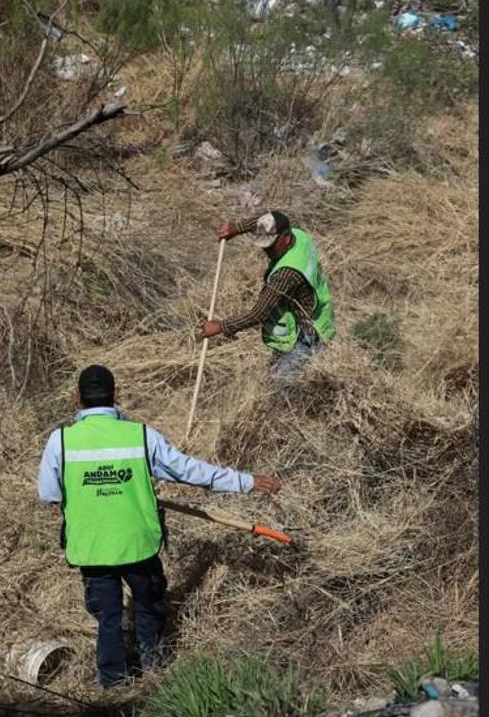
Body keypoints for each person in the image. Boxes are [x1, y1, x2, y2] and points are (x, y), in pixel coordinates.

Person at [36, 364, 282, 688]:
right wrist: (245, 481)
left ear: (77, 397)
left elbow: (49, 494)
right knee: (148, 606)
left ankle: (112, 684)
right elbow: (189, 470)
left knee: (108, 618)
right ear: (116, 395)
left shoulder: (61, 442)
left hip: (92, 547)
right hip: (139, 541)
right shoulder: (140, 435)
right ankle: (154, 671)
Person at [197, 210, 336, 380]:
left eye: (270, 245)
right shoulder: (299, 236)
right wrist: (237, 228)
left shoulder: (287, 273)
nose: (267, 251)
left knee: (283, 385)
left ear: (285, 238)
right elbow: (267, 220)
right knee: (279, 375)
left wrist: (221, 326)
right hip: (320, 311)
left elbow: (259, 313)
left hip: (305, 333)